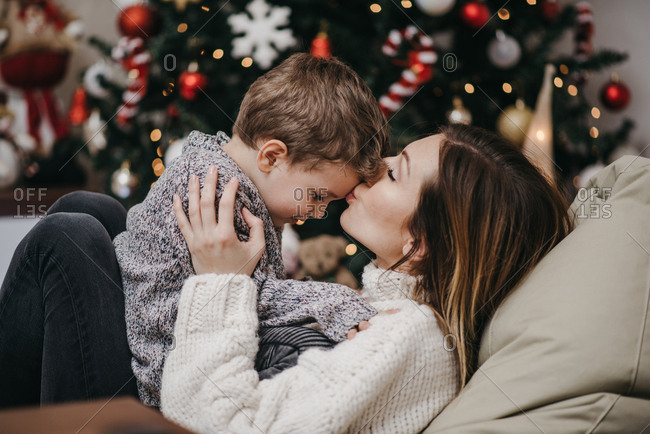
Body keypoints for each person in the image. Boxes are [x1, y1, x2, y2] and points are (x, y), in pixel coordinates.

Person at [160, 124, 574, 433]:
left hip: (177, 411)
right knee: (99, 221)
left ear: (420, 241)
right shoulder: (382, 311)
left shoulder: (409, 338)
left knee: (91, 233)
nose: (375, 166)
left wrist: (219, 282)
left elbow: (213, 424)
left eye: (396, 173)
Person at [112, 53, 390, 407]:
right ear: (271, 157)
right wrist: (335, 301)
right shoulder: (217, 189)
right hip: (160, 381)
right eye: (319, 196)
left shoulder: (235, 178)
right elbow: (241, 296)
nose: (319, 212)